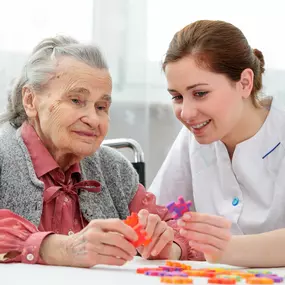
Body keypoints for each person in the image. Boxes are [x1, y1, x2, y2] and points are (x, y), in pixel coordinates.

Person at [0, 35, 208, 268]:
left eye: (101, 107)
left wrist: (168, 245)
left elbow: (183, 231)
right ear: (30, 100)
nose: (93, 119)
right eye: (76, 100)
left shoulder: (115, 169)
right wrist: (56, 248)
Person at [149, 19, 285, 267]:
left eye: (200, 93)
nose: (187, 113)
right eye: (177, 97)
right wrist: (161, 240)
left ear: (244, 83)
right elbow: (160, 213)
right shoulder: (193, 137)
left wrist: (225, 249)